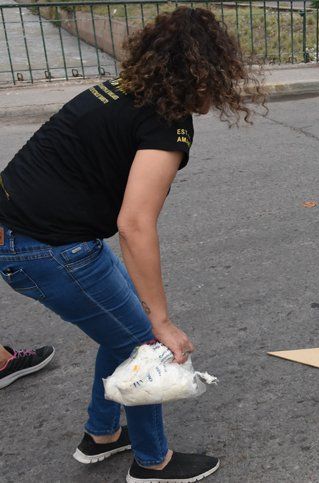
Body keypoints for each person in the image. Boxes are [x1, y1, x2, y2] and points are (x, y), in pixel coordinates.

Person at [0, 7, 263, 482]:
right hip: (51, 249)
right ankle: (152, 463)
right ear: (208, 73)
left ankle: (100, 436)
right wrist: (161, 322)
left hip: (28, 235)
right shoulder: (167, 122)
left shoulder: (116, 92)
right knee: (143, 341)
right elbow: (136, 224)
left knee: (122, 329)